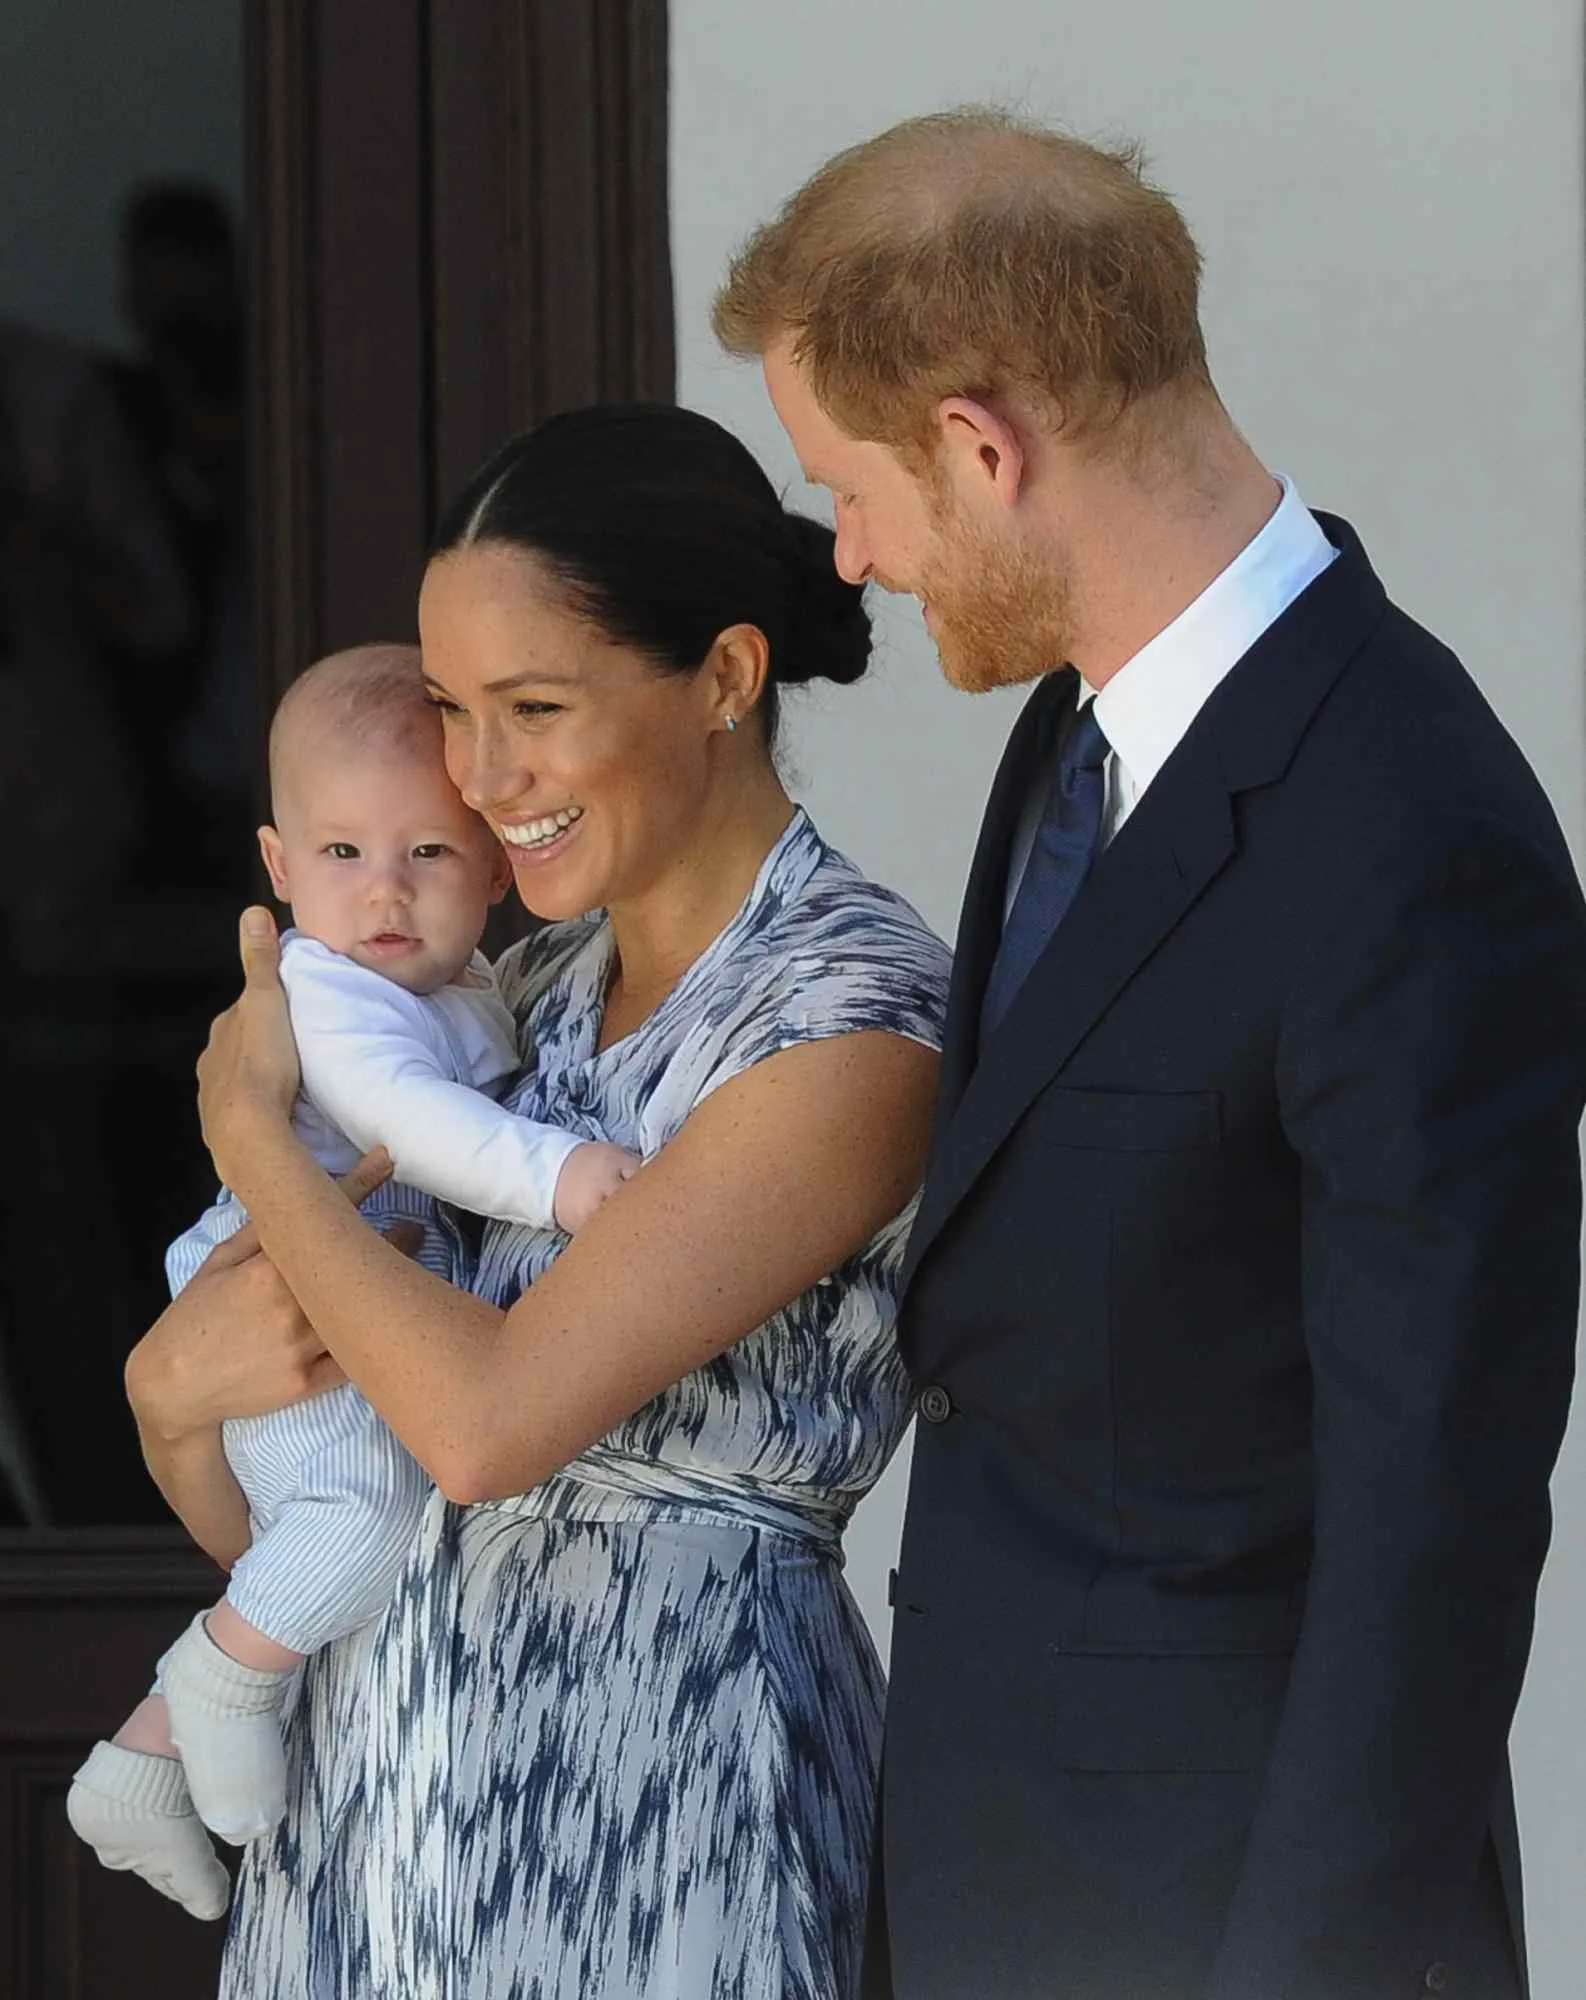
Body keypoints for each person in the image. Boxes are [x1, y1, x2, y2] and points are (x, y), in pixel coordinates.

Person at [714, 108, 1586, 2000]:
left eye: (842, 487)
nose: (847, 556)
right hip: (993, 1887)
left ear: (978, 444)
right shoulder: (1074, 741)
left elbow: (1431, 1518)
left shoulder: (1409, 819)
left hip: (1219, 1928)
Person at [122, 403, 951, 1998]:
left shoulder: (848, 1014)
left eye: (533, 708)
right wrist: (168, 1406)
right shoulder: (518, 990)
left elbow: (484, 1427)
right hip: (373, 1827)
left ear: (723, 676)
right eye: (448, 709)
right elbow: (319, 1518)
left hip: (661, 1824)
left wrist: (250, 1133)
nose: (480, 777)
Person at [68, 642, 637, 1917]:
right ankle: (217, 1678)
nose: (383, 892)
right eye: (340, 856)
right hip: (281, 1281)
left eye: (427, 854)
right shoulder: (323, 997)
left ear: (496, 862)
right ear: (277, 867)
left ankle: (143, 1760)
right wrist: (559, 1177)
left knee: (348, 1511)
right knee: (366, 1515)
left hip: (345, 1284)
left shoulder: (475, 983)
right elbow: (412, 1123)